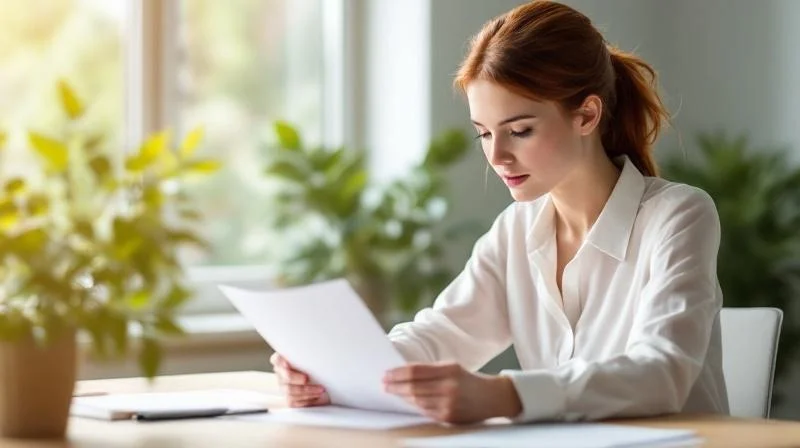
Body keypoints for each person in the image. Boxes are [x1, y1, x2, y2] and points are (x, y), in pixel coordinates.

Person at [270, 0, 729, 424]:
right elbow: (441, 334)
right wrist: (333, 371)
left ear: (587, 115)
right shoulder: (516, 231)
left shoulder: (678, 215)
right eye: (484, 134)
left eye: (520, 130)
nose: (498, 156)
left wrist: (506, 395)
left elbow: (661, 371)